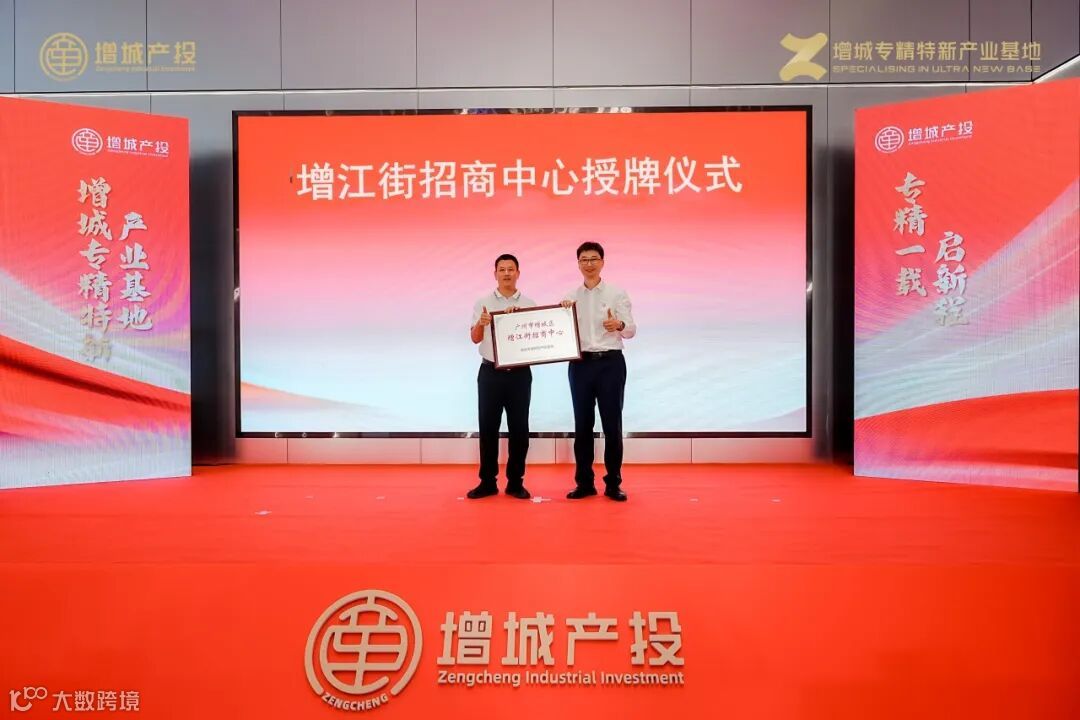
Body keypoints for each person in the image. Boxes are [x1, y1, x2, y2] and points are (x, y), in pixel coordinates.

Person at [561, 242, 636, 502]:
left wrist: (619, 324)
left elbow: (631, 329)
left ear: (602, 262)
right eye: (584, 259)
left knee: (612, 424)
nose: (589, 264)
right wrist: (561, 316)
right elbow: (561, 333)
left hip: (610, 364)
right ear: (578, 264)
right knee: (582, 425)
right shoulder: (570, 297)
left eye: (594, 259)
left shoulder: (617, 293)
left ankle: (613, 483)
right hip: (580, 364)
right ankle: (584, 483)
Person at [467, 254, 536, 500]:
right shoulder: (483, 302)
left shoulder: (529, 303)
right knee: (488, 428)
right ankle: (487, 482)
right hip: (490, 373)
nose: (506, 273)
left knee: (520, 429)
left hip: (519, 374)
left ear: (518, 273)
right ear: (495, 273)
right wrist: (482, 323)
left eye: (511, 269)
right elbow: (475, 338)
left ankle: (515, 482)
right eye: (502, 269)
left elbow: (536, 341)